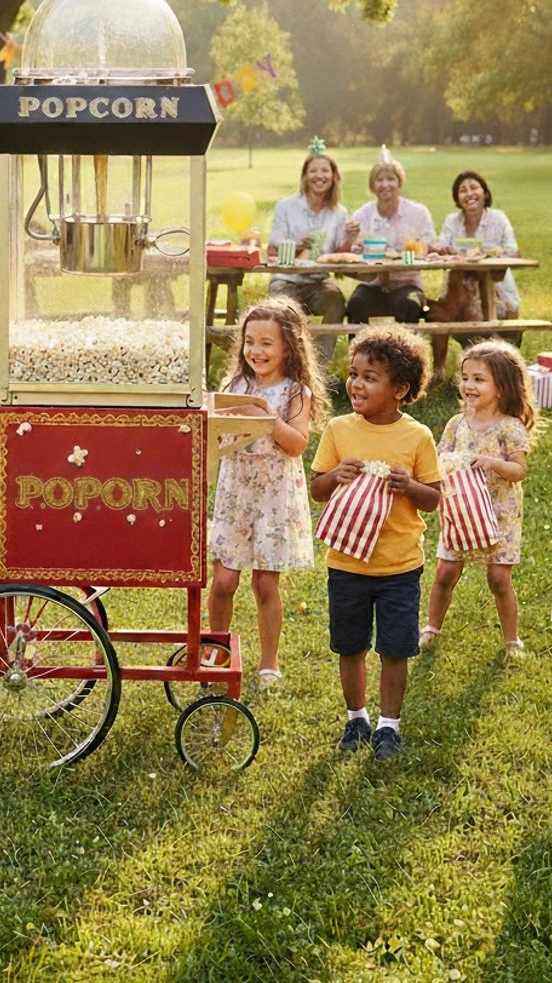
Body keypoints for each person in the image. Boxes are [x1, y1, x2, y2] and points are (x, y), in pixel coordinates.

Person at [310, 327, 441, 761]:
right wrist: (336, 476)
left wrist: (408, 486)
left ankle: (389, 725)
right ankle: (356, 718)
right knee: (350, 645)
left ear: (399, 389)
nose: (356, 384)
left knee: (395, 648)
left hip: (398, 567)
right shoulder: (338, 430)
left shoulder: (417, 436)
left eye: (370, 376)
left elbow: (435, 499)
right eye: (353, 373)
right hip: (346, 563)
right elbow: (318, 489)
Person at [208, 298, 327, 690]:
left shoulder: (295, 392)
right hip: (236, 491)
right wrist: (223, 416)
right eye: (249, 342)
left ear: (288, 347)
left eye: (266, 343)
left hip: (274, 496)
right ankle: (216, 648)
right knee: (223, 580)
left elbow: (296, 445)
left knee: (264, 583)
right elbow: (218, 433)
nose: (256, 351)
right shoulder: (234, 386)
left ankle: (268, 661)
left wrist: (265, 417)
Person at [420, 341, 536, 657]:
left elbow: (519, 470)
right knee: (445, 572)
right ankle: (432, 626)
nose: (469, 385)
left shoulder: (509, 427)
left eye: (479, 379)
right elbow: (440, 458)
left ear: (502, 388)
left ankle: (512, 639)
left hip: (499, 512)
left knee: (498, 578)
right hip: (461, 510)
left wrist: (494, 463)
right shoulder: (457, 424)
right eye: (466, 377)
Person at [429, 169, 523, 377]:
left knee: (483, 313)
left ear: (485, 194)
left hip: (496, 289)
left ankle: (494, 367)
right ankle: (438, 372)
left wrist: (489, 252)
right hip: (458, 291)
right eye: (463, 190)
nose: (469, 193)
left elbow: (514, 251)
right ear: (457, 199)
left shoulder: (498, 218)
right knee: (439, 313)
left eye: (474, 188)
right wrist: (444, 250)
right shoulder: (452, 221)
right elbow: (439, 246)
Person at [267, 139, 350, 367]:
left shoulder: (339, 212)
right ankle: (289, 367)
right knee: (283, 308)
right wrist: (295, 245)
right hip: (287, 278)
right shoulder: (286, 206)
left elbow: (339, 252)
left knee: (335, 300)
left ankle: (319, 368)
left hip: (318, 280)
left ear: (334, 176)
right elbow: (275, 239)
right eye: (313, 171)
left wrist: (351, 236)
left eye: (325, 170)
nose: (319, 175)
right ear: (305, 176)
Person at [344, 149, 435, 325]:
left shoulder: (418, 213)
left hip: (407, 284)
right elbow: (353, 255)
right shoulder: (362, 215)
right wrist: (355, 245)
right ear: (372, 186)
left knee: (410, 304)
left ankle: (406, 352)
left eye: (391, 179)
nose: (385, 185)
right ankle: (359, 352)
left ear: (400, 183)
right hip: (373, 285)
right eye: (379, 180)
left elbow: (428, 246)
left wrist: (398, 253)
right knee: (356, 304)